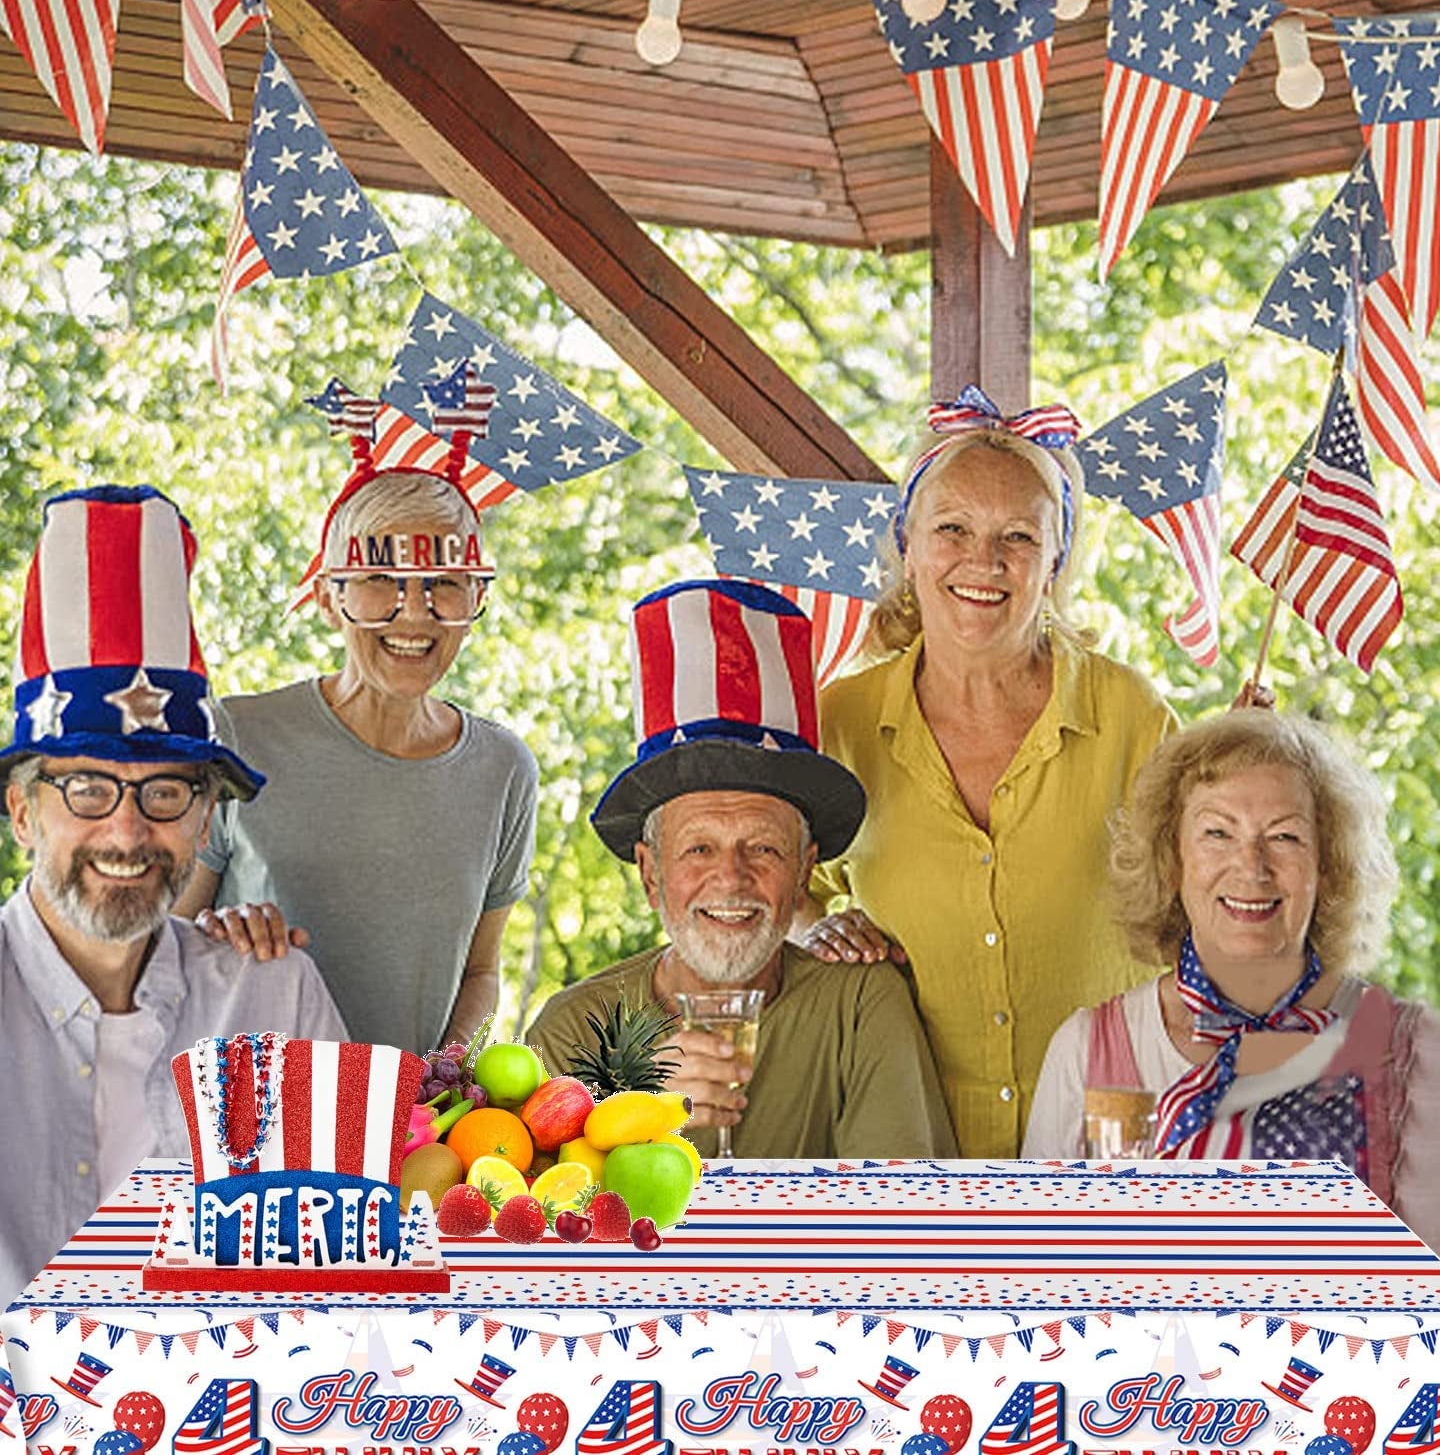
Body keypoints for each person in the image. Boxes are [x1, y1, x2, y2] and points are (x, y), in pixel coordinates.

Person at [802, 390, 1175, 1157]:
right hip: (909, 1148)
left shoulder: (1129, 711)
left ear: (1056, 562)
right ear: (908, 546)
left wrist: (1246, 773)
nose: (984, 561)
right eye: (952, 529)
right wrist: (816, 927)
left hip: (1107, 1146)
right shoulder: (839, 718)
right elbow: (777, 884)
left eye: (1018, 537)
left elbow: (1203, 902)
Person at [1023, 710, 1440, 1307]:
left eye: (1285, 836)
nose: (1251, 867)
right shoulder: (1087, 1051)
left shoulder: (1409, 1058)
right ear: (1172, 861)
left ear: (1329, 868)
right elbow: (1044, 1303)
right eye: (1217, 833)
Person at [0, 485, 346, 1306]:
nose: (126, 833)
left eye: (164, 794)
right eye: (86, 789)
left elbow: (340, 1271)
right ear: (22, 811)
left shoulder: (274, 994)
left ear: (206, 819)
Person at [526, 579, 956, 1160]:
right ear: (651, 874)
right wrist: (628, 1109)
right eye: (699, 849)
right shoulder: (572, 1031)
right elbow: (536, 1232)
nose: (730, 878)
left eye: (764, 849)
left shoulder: (858, 1005)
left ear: (805, 871)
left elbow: (899, 1220)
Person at [175, 450, 539, 1056]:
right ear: (327, 598)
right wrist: (215, 939)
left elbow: (480, 973)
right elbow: (160, 951)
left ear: (476, 599)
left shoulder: (503, 770)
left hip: (409, 1136)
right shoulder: (233, 736)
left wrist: (441, 1075)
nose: (415, 613)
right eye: (379, 582)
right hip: (246, 1127)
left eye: (444, 585)